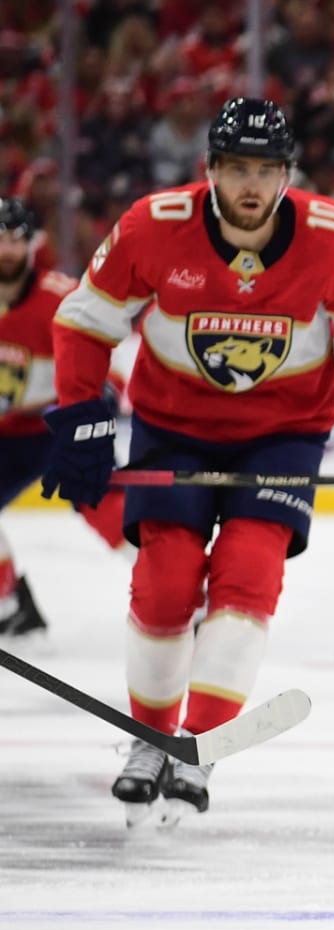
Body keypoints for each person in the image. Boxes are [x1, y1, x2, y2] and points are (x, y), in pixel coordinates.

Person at [45, 97, 334, 827]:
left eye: (265, 170)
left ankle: (196, 746)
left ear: (286, 175)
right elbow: (86, 321)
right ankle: (150, 739)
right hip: (172, 427)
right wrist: (82, 415)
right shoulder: (153, 226)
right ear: (210, 169)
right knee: (165, 581)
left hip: (283, 435)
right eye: (237, 168)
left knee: (249, 575)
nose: (251, 184)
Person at [0, 198, 129, 647]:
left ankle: (178, 596)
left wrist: (97, 402)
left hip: (61, 423)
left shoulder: (61, 297)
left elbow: (107, 363)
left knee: (101, 501)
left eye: (15, 239)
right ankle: (10, 606)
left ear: (34, 243)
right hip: (7, 435)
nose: (6, 249)